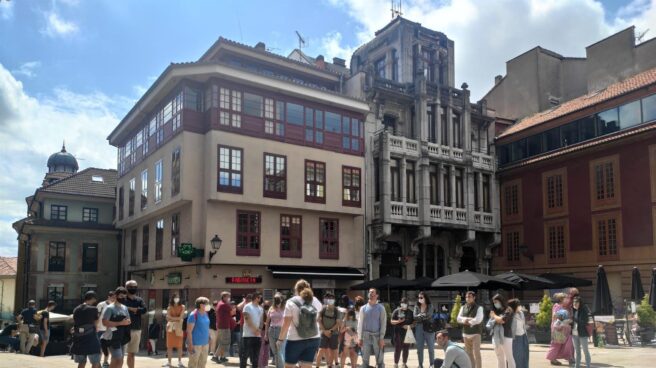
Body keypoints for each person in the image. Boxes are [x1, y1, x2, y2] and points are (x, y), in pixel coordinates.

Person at [276, 279, 322, 368]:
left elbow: (286, 324)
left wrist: (280, 340)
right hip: (313, 338)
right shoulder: (315, 300)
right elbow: (318, 318)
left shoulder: (291, 302)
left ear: (296, 289)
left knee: (289, 366)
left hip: (295, 339)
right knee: (307, 366)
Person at [101, 287, 132, 368]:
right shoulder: (109, 308)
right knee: (117, 358)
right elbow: (104, 322)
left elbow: (128, 320)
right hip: (112, 337)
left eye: (125, 297)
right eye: (121, 296)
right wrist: (120, 323)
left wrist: (126, 322)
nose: (123, 298)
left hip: (122, 337)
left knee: (120, 360)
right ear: (116, 295)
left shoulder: (124, 308)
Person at [357, 288, 387, 368]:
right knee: (365, 361)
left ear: (377, 295)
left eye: (372, 292)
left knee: (380, 361)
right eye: (369, 293)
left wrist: (381, 338)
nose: (370, 294)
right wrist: (360, 338)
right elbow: (360, 323)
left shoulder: (381, 308)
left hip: (377, 336)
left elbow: (383, 323)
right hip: (366, 336)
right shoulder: (363, 308)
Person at [72, 291, 102, 368]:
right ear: (92, 298)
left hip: (79, 338)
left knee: (82, 362)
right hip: (91, 337)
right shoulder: (93, 309)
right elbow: (96, 323)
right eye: (95, 299)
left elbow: (75, 322)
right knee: (95, 361)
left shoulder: (76, 309)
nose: (95, 301)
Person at [546, 292, 574, 366]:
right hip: (558, 328)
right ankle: (553, 359)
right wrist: (565, 319)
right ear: (562, 299)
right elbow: (555, 317)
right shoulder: (557, 306)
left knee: (567, 343)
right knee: (556, 344)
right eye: (566, 298)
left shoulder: (562, 306)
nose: (568, 299)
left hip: (563, 328)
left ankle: (569, 357)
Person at [456, 291, 483, 368]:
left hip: (476, 333)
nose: (467, 298)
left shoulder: (479, 308)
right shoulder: (462, 307)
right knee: (469, 353)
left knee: (476, 353)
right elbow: (458, 319)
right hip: (465, 333)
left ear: (474, 297)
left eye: (469, 297)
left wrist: (465, 321)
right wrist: (468, 319)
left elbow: (478, 320)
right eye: (466, 297)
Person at [124, 280, 147, 368]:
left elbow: (144, 310)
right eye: (131, 287)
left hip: (136, 329)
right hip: (123, 330)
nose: (133, 288)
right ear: (126, 288)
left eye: (135, 287)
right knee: (120, 354)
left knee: (132, 354)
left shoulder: (139, 300)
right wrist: (137, 310)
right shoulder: (122, 300)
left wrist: (130, 309)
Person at [489, 294, 515, 368]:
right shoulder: (496, 311)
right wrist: (495, 317)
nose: (495, 304)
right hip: (496, 336)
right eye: (494, 302)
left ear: (501, 301)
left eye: (496, 302)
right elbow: (492, 321)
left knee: (509, 358)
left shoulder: (508, 309)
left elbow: (502, 320)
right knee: (499, 358)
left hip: (506, 336)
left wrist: (494, 316)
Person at [316, 292, 341, 368]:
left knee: (332, 351)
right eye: (329, 299)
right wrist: (324, 331)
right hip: (324, 333)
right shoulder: (322, 309)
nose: (330, 300)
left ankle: (330, 365)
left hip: (333, 333)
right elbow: (318, 320)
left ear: (334, 300)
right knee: (321, 350)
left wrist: (330, 331)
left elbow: (338, 323)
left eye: (332, 299)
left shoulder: (337, 310)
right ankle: (317, 366)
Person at [240, 292, 264, 368]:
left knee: (256, 357)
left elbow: (261, 321)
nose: (260, 299)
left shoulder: (260, 308)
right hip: (248, 335)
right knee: (245, 356)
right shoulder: (247, 307)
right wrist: (255, 331)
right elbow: (247, 319)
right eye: (259, 297)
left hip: (257, 336)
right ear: (256, 298)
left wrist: (259, 329)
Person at [187, 297, 211, 368]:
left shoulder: (206, 314)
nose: (208, 305)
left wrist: (209, 337)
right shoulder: (193, 315)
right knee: (193, 364)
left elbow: (206, 326)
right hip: (195, 344)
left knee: (203, 364)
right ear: (201, 305)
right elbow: (189, 331)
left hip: (205, 343)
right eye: (207, 304)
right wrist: (190, 345)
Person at [413, 291, 435, 368]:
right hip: (419, 328)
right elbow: (415, 317)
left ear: (425, 298)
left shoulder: (430, 306)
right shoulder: (416, 306)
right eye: (419, 297)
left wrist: (420, 316)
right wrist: (421, 316)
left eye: (421, 297)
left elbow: (429, 315)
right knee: (419, 348)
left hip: (429, 328)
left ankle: (432, 364)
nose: (420, 299)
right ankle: (420, 365)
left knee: (431, 348)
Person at [391, 297, 414, 368]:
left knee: (406, 349)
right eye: (402, 303)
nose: (403, 304)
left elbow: (414, 323)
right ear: (400, 303)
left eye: (405, 303)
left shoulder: (411, 312)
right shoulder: (396, 311)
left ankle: (404, 364)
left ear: (407, 304)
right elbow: (391, 321)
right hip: (398, 333)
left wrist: (409, 326)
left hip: (407, 333)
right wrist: (398, 321)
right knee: (397, 349)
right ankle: (396, 364)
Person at [166, 293, 185, 368]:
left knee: (179, 346)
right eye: (175, 297)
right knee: (169, 346)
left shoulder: (182, 306)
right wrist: (177, 319)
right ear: (172, 298)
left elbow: (181, 317)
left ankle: (180, 362)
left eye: (178, 297)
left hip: (179, 328)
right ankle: (169, 362)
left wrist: (172, 318)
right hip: (170, 328)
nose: (177, 298)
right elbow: (167, 318)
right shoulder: (169, 307)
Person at [97, 291, 116, 368]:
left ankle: (105, 362)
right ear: (108, 297)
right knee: (99, 348)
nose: (114, 299)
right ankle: (98, 363)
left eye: (115, 298)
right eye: (113, 297)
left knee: (108, 347)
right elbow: (97, 316)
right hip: (100, 329)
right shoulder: (101, 305)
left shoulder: (116, 306)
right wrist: (96, 327)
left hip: (110, 330)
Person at [265, 294, 285, 368]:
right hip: (271, 330)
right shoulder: (271, 308)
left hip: (281, 330)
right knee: (275, 352)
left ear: (281, 299)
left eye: (278, 298)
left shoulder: (284, 308)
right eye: (275, 298)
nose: (276, 299)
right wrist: (266, 334)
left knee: (279, 351)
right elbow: (267, 322)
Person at [508, 299, 528, 368]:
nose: (519, 306)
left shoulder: (521, 313)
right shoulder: (510, 315)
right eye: (518, 305)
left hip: (523, 336)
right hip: (515, 338)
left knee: (524, 355)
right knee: (516, 356)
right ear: (514, 306)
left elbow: (523, 324)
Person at [571, 296, 591, 368]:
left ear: (580, 303)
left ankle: (588, 366)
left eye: (576, 302)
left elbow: (583, 322)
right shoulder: (573, 311)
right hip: (574, 334)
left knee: (586, 351)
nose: (574, 303)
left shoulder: (584, 310)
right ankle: (577, 366)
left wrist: (573, 319)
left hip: (582, 334)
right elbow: (572, 323)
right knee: (577, 351)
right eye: (573, 302)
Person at [212, 292, 232, 363]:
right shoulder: (224, 305)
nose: (228, 298)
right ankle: (215, 356)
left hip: (221, 326)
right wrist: (229, 304)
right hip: (224, 326)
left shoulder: (220, 303)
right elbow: (232, 312)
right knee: (224, 342)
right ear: (223, 297)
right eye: (227, 297)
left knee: (222, 342)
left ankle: (222, 357)